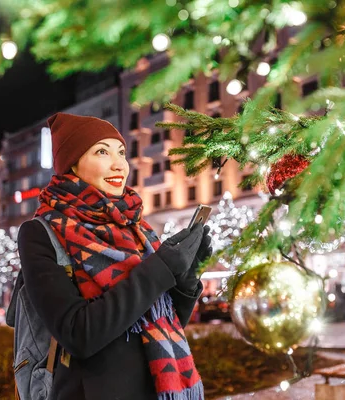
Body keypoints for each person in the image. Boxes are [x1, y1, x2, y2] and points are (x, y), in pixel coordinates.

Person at [17, 112, 211, 400]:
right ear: (72, 163)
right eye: (102, 152)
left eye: (121, 152)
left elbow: (167, 323)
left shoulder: (139, 230)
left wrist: (187, 277)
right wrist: (160, 269)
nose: (119, 163)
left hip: (157, 390)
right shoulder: (41, 233)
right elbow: (78, 334)